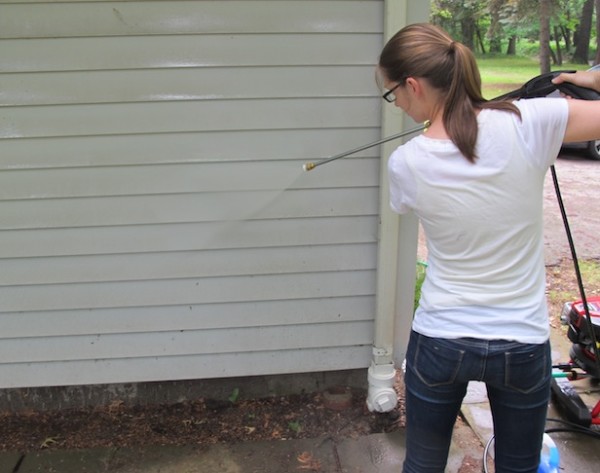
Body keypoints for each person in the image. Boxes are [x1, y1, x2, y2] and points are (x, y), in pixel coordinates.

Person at [377, 23, 600, 473]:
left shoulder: (405, 163)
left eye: (392, 93)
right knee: (519, 466)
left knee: (422, 463)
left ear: (413, 85)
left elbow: (406, 202)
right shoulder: (529, 121)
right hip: (521, 342)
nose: (396, 103)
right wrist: (595, 80)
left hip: (442, 338)